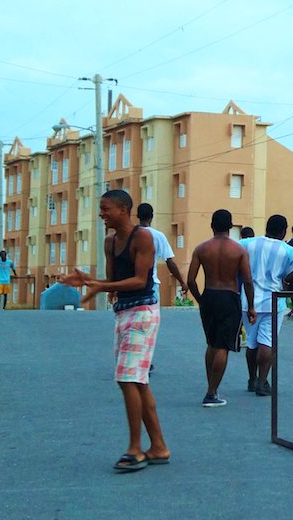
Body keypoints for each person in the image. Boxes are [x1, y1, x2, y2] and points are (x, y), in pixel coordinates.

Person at [62, 189, 169, 472]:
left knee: (127, 379)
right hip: (123, 313)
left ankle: (135, 448)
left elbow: (139, 280)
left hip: (143, 312)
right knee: (137, 380)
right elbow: (112, 281)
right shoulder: (110, 242)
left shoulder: (143, 237)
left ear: (123, 209)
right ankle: (158, 446)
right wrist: (88, 281)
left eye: (106, 208)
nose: (101, 214)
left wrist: (100, 286)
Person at [187, 209, 254, 407]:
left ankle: (212, 387)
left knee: (211, 343)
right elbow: (248, 280)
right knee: (223, 345)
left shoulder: (201, 249)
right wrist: (251, 306)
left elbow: (190, 280)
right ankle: (211, 392)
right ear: (230, 226)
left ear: (212, 226)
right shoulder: (239, 250)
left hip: (209, 295)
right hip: (230, 297)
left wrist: (200, 299)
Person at [241, 214, 293, 396]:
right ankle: (263, 382)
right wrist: (286, 279)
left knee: (252, 342)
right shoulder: (286, 249)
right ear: (283, 231)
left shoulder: (249, 243)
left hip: (248, 301)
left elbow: (232, 251)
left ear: (267, 227)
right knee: (267, 342)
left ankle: (252, 379)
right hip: (273, 301)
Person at [137, 203, 188, 305]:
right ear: (152, 216)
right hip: (151, 285)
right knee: (152, 319)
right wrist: (182, 282)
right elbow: (170, 262)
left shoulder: (130, 234)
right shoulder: (158, 236)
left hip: (131, 285)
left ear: (138, 216)